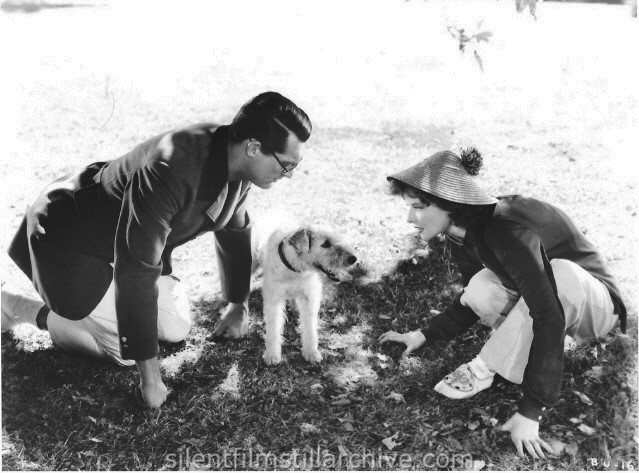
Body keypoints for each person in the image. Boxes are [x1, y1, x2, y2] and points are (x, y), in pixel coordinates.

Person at [2, 91, 312, 408]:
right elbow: (135, 272)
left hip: (122, 248)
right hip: (72, 240)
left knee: (175, 330)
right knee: (126, 354)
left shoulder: (237, 158)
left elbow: (235, 226)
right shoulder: (172, 168)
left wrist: (237, 304)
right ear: (254, 148)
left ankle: (102, 316)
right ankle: (19, 308)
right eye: (286, 166)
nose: (288, 175)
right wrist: (150, 380)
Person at [378, 148, 626, 458]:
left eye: (417, 207)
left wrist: (531, 412)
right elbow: (473, 300)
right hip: (551, 301)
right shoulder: (459, 233)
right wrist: (423, 335)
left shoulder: (507, 230)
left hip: (597, 309)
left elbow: (548, 312)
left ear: (450, 205)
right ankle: (521, 353)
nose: (409, 217)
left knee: (558, 276)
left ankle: (483, 369)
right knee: (482, 284)